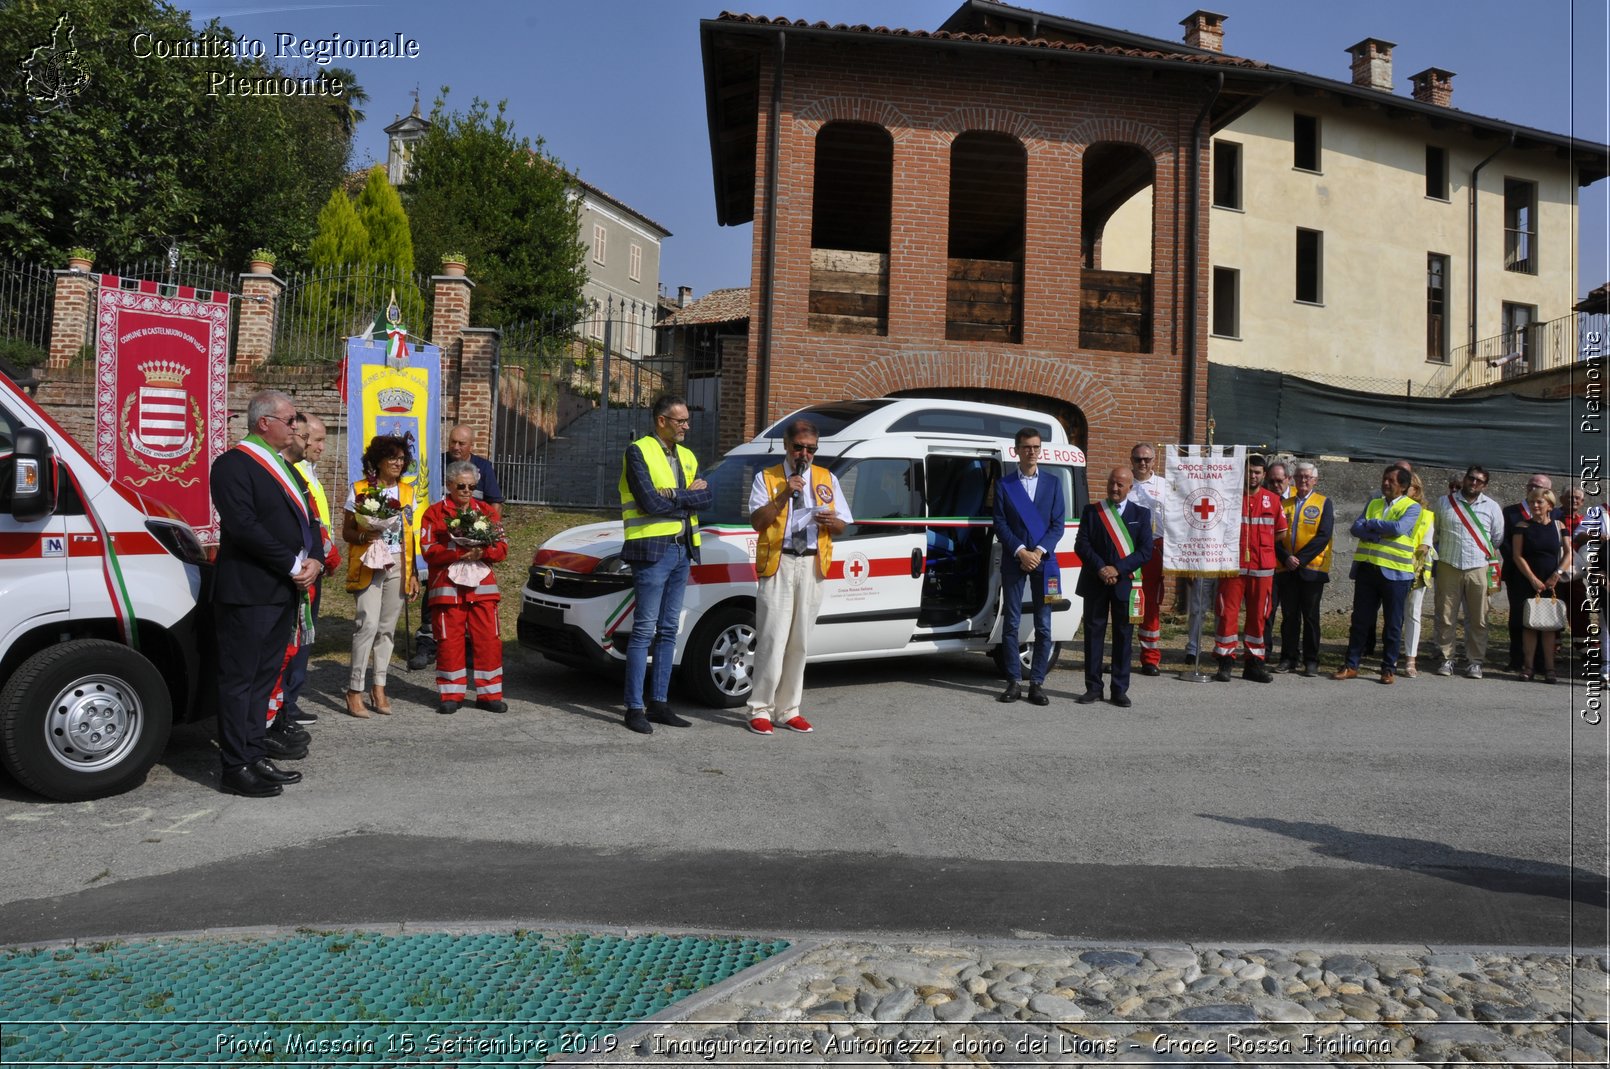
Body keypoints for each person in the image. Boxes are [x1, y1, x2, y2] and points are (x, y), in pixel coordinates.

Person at [209, 390, 320, 797]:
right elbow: (243, 525)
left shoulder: (285, 468)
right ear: (264, 423)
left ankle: (254, 754)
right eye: (290, 421)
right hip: (249, 590)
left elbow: (309, 518)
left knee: (263, 679)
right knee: (240, 680)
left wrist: (316, 560)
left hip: (282, 592)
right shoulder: (233, 465)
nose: (296, 428)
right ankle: (235, 765)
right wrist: (293, 564)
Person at [744, 419, 851, 733]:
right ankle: (759, 709)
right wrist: (783, 495)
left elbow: (843, 525)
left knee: (799, 643)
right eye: (799, 447)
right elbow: (757, 522)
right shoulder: (768, 477)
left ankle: (789, 709)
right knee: (772, 639)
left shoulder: (826, 478)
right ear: (786, 446)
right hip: (779, 563)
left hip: (813, 564)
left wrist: (831, 520)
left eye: (811, 449)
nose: (804, 454)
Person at [619, 395, 712, 734]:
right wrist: (685, 497)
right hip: (651, 552)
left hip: (682, 550)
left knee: (669, 629)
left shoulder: (687, 455)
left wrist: (673, 495)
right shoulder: (638, 451)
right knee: (644, 630)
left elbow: (707, 497)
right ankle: (633, 708)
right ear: (661, 420)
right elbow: (647, 503)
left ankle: (659, 703)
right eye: (680, 420)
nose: (687, 425)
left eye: (687, 419)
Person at [410, 424, 506, 671]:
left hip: (477, 553)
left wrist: (485, 533)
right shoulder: (436, 463)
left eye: (461, 443)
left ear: (471, 446)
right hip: (442, 543)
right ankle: (427, 643)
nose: (455, 447)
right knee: (437, 599)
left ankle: (470, 648)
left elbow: (495, 504)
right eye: (452, 442)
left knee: (476, 609)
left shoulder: (483, 467)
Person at [421, 460, 509, 714]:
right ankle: (451, 694)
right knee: (449, 640)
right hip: (447, 588)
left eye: (472, 486)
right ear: (449, 485)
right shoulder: (434, 513)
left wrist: (483, 550)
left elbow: (502, 547)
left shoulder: (487, 512)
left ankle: (490, 694)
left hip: (482, 587)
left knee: (489, 640)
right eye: (461, 486)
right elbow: (428, 550)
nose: (467, 491)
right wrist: (458, 551)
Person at [342, 435, 420, 717]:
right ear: (377, 461)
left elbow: (410, 535)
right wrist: (365, 533)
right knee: (367, 624)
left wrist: (413, 574)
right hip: (368, 564)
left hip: (398, 564)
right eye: (393, 458)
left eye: (402, 459)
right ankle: (354, 690)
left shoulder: (409, 493)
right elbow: (347, 532)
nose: (399, 463)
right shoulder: (360, 489)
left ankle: (379, 687)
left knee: (387, 629)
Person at [994, 427, 1067, 705]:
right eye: (1026, 447)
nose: (1032, 452)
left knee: (1044, 624)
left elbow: (1057, 525)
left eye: (1036, 447)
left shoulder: (1053, 483)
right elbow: (1000, 523)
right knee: (1011, 622)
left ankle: (1037, 683)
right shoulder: (1004, 485)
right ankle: (1013, 681)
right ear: (1017, 450)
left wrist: (1037, 551)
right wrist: (1021, 551)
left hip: (1044, 562)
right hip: (1016, 560)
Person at [1333, 465, 1421, 684]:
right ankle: (1351, 664)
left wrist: (1372, 525)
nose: (1385, 483)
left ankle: (1388, 668)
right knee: (1360, 621)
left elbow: (1399, 528)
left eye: (1391, 480)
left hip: (1396, 574)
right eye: (1384, 479)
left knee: (1392, 623)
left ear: (1402, 486)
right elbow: (1355, 528)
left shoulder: (1412, 507)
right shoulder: (1374, 503)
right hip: (1367, 569)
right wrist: (1377, 533)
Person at [1073, 468, 1152, 708]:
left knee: (1123, 637)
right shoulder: (1093, 511)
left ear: (1130, 488)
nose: (1114, 489)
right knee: (1093, 635)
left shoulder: (1142, 514)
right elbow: (1082, 545)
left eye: (1120, 485)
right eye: (1111, 484)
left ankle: (1119, 689)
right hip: (1096, 581)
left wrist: (1117, 569)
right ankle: (1093, 687)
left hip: (1125, 583)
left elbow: (1145, 551)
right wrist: (1101, 568)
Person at [279, 413, 339, 728]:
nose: (321, 447)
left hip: (317, 562)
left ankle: (290, 699)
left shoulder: (309, 473)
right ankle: (285, 702)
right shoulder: (294, 473)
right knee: (296, 636)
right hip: (303, 566)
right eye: (317, 439)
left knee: (304, 637)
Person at [1212, 454, 1287, 683]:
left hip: (1262, 569)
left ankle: (1253, 664)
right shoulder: (1229, 498)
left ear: (1264, 475)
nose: (1253, 476)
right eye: (1249, 471)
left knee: (1258, 618)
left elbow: (1281, 532)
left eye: (1257, 472)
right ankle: (1225, 662)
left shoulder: (1273, 500)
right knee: (1227, 615)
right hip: (1232, 567)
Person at [1432, 466, 1503, 679]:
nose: (1474, 483)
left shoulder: (1492, 507)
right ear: (1464, 479)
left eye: (1479, 481)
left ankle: (1475, 661)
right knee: (1445, 615)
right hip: (1448, 564)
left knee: (1479, 617)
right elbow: (1436, 532)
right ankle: (1447, 658)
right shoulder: (1444, 502)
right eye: (1471, 478)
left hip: (1478, 567)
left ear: (1484, 485)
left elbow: (1497, 538)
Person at [1274, 461, 1333, 677]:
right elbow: (1276, 536)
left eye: (1307, 477)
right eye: (1299, 477)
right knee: (1289, 616)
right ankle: (1288, 657)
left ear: (1315, 480)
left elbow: (1323, 535)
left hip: (1312, 569)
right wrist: (1286, 557)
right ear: (1293, 479)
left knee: (1310, 616)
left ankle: (1311, 660)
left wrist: (1299, 559)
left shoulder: (1324, 503)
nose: (1303, 480)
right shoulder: (1284, 503)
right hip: (1287, 568)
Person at [1511, 487, 1571, 683]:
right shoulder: (1522, 526)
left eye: (1539, 502)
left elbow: (1569, 553)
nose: (1535, 505)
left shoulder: (1559, 525)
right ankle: (1528, 667)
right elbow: (1517, 555)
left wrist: (1557, 574)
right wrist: (1532, 578)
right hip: (1528, 581)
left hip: (1552, 581)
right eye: (1532, 502)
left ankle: (1550, 668)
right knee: (1530, 624)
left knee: (1549, 625)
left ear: (1550, 505)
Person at [1502, 474, 1554, 674]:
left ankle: (1542, 662)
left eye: (1539, 486)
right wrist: (1524, 567)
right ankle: (1517, 659)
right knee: (1519, 619)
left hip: (1547, 577)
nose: (1534, 488)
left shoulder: (1555, 515)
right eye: (1531, 485)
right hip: (1518, 575)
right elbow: (1504, 541)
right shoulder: (1511, 512)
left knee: (1545, 620)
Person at [1125, 443, 1166, 677]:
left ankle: (1150, 659)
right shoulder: (1124, 483)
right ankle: (1122, 656)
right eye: (1138, 459)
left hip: (1154, 549)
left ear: (1154, 460)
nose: (1143, 463)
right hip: (1128, 550)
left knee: (1149, 605)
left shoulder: (1164, 486)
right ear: (1131, 460)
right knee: (1125, 603)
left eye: (1147, 459)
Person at [1399, 473, 1437, 677]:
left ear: (1417, 489)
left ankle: (1410, 660)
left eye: (1409, 486)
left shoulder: (1427, 515)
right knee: (1394, 614)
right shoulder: (1393, 508)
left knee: (1413, 613)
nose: (1405, 490)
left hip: (1416, 571)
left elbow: (1425, 544)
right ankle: (1391, 654)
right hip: (1392, 567)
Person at [1259, 460, 1293, 662]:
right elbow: (1266, 535)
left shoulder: (1299, 499)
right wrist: (1285, 556)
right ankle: (1264, 653)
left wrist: (1296, 559)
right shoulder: (1264, 498)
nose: (1276, 485)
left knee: (1291, 615)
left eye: (1279, 481)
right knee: (1267, 613)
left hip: (1295, 568)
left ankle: (1288, 657)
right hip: (1271, 566)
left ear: (1288, 479)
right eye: (1271, 481)